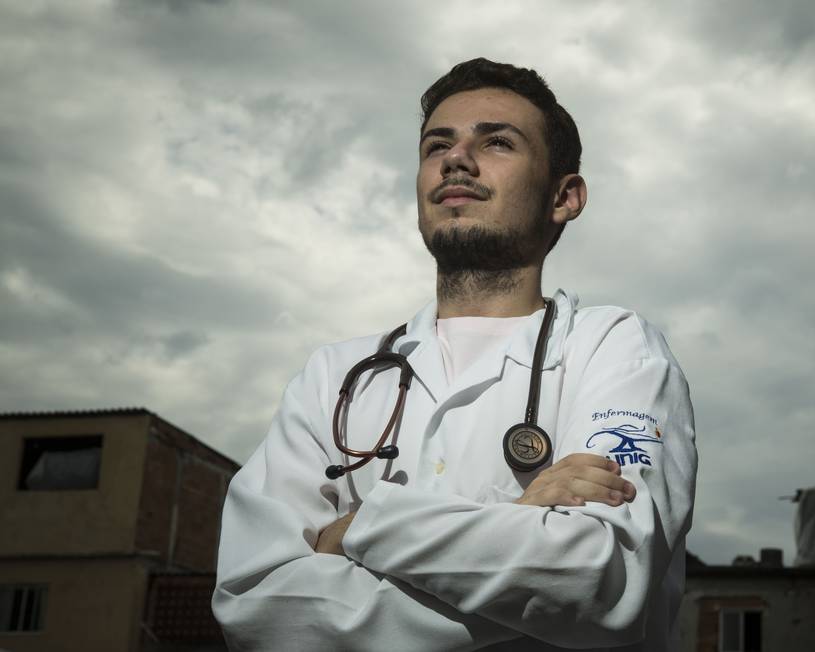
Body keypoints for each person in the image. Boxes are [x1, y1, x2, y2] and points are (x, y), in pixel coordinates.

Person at [212, 58, 697, 651]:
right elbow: (256, 606)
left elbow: (602, 579)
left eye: (497, 141)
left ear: (564, 196)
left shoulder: (616, 347)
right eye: (437, 143)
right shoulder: (334, 376)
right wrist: (519, 517)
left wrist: (358, 528)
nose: (456, 159)